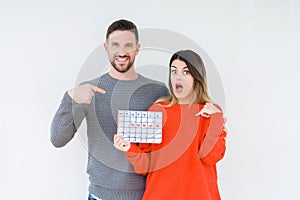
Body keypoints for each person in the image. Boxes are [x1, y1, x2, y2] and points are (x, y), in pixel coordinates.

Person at [50, 19, 169, 200]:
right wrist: (70, 98)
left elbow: (169, 144)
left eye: (128, 45)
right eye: (115, 45)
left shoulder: (158, 91)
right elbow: (58, 139)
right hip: (100, 195)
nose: (121, 51)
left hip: (147, 194)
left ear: (137, 49)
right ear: (106, 48)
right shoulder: (88, 90)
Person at [114, 50, 227, 200]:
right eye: (174, 71)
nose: (178, 77)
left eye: (185, 72)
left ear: (197, 76)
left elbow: (209, 157)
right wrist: (129, 148)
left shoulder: (211, 113)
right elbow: (146, 167)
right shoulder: (158, 110)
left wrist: (216, 118)